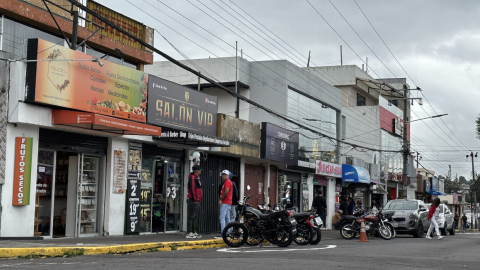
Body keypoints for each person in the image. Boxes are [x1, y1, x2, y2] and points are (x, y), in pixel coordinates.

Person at [186, 165, 203, 239]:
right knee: (191, 216)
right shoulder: (193, 177)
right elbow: (192, 189)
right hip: (193, 200)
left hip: (196, 200)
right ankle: (189, 232)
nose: (200, 171)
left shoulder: (196, 178)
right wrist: (195, 199)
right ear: (197, 171)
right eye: (199, 170)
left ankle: (192, 232)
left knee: (194, 216)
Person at [217, 170, 233, 237]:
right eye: (223, 174)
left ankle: (223, 232)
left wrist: (221, 199)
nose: (223, 176)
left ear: (228, 175)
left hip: (225, 202)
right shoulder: (229, 182)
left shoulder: (227, 182)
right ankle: (228, 232)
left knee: (222, 217)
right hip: (228, 202)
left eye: (225, 174)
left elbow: (226, 192)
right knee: (227, 218)